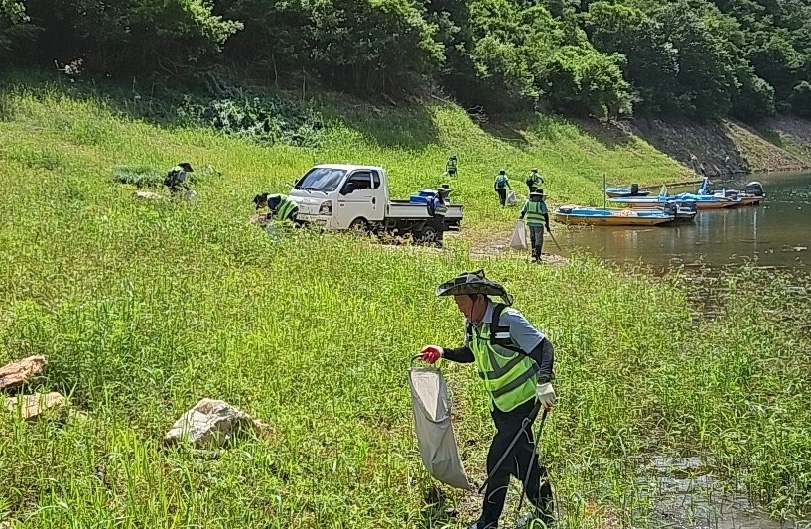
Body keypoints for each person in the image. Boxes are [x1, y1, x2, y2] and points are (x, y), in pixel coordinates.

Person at [419, 270, 556, 529]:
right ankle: (546, 509)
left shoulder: (508, 319)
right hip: (501, 407)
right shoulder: (473, 324)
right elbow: (471, 353)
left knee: (497, 461)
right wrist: (443, 352)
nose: (459, 309)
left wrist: (545, 382)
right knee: (522, 458)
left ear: (479, 298)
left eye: (462, 303)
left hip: (524, 403)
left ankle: (488, 522)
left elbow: (544, 348)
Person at [519, 190, 551, 263]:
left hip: (530, 224)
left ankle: (534, 255)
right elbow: (546, 215)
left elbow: (523, 212)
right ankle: (538, 257)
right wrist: (547, 225)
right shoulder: (541, 203)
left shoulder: (528, 202)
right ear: (540, 196)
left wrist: (520, 218)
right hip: (539, 224)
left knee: (533, 239)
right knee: (539, 241)